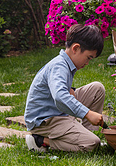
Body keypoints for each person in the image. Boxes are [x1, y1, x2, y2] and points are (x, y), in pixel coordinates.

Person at [24, 24, 105, 153]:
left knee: (97, 89)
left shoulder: (66, 63)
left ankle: (85, 133)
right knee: (92, 144)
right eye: (88, 57)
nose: (87, 63)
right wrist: (87, 113)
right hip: (45, 120)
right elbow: (60, 97)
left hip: (57, 111)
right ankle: (40, 140)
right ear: (76, 48)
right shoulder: (59, 65)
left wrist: (71, 89)